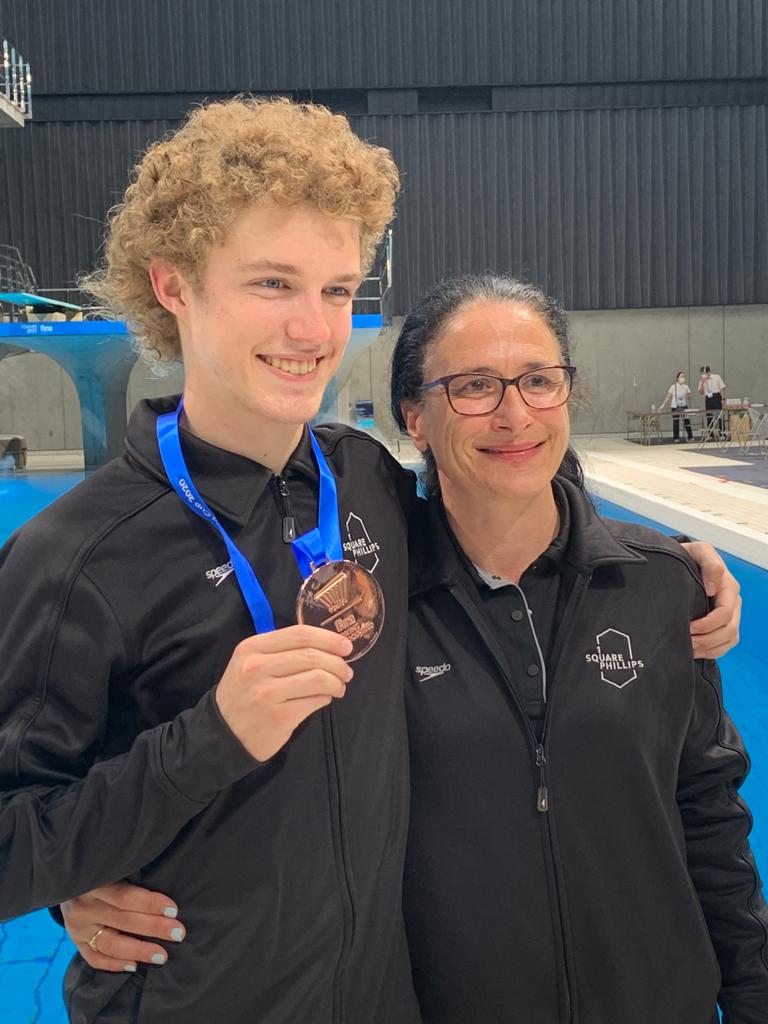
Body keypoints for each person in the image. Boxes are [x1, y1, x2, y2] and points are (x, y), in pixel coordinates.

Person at [0, 97, 422, 1023]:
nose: (315, 330)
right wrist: (207, 743)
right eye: (272, 283)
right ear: (173, 285)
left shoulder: (373, 485)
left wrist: (670, 564)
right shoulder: (75, 557)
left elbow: (503, 567)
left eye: (339, 289)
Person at [391, 276, 767, 1024]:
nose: (513, 414)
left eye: (538, 380)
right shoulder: (372, 608)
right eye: (473, 386)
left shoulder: (661, 584)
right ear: (415, 418)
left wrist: (753, 991)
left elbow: (706, 806)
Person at [658, 369, 693, 442]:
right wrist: (663, 405)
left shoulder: (686, 386)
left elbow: (689, 395)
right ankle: (676, 437)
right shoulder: (673, 387)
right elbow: (668, 396)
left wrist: (687, 396)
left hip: (683, 406)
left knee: (687, 421)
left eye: (683, 376)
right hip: (675, 407)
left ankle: (690, 436)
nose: (683, 378)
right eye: (681, 376)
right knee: (676, 422)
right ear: (677, 378)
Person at [698, 364, 727, 440]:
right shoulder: (702, 380)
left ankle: (722, 434)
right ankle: (710, 434)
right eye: (702, 374)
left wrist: (722, 399)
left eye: (705, 373)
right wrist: (702, 383)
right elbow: (700, 392)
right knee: (709, 416)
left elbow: (722, 388)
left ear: (709, 372)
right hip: (708, 398)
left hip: (716, 397)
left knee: (718, 416)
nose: (704, 375)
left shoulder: (716, 377)